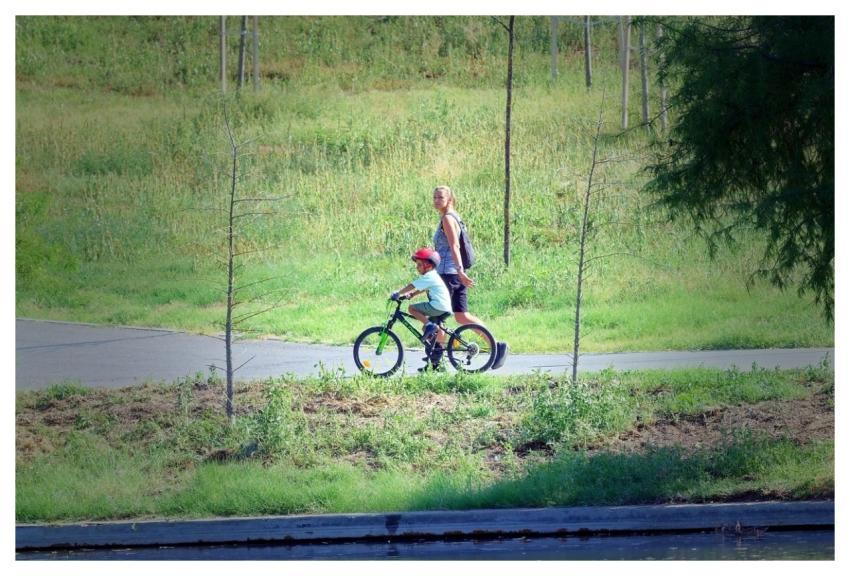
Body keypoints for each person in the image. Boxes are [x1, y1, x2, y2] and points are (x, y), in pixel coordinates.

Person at [431, 185, 509, 369]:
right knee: (462, 317)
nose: (436, 200)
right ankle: (496, 345)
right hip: (453, 274)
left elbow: (454, 246)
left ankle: (436, 361)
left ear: (449, 199)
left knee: (437, 317)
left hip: (448, 275)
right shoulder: (455, 217)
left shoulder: (448, 220)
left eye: (440, 197)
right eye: (434, 197)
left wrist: (459, 270)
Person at [390, 247, 452, 371]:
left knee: (412, 308)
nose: (417, 267)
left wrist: (399, 292)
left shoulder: (430, 275)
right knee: (428, 331)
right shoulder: (432, 276)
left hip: (437, 306)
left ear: (428, 265)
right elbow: (423, 288)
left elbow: (413, 285)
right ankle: (435, 363)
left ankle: (430, 325)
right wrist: (412, 295)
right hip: (443, 307)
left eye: (419, 264)